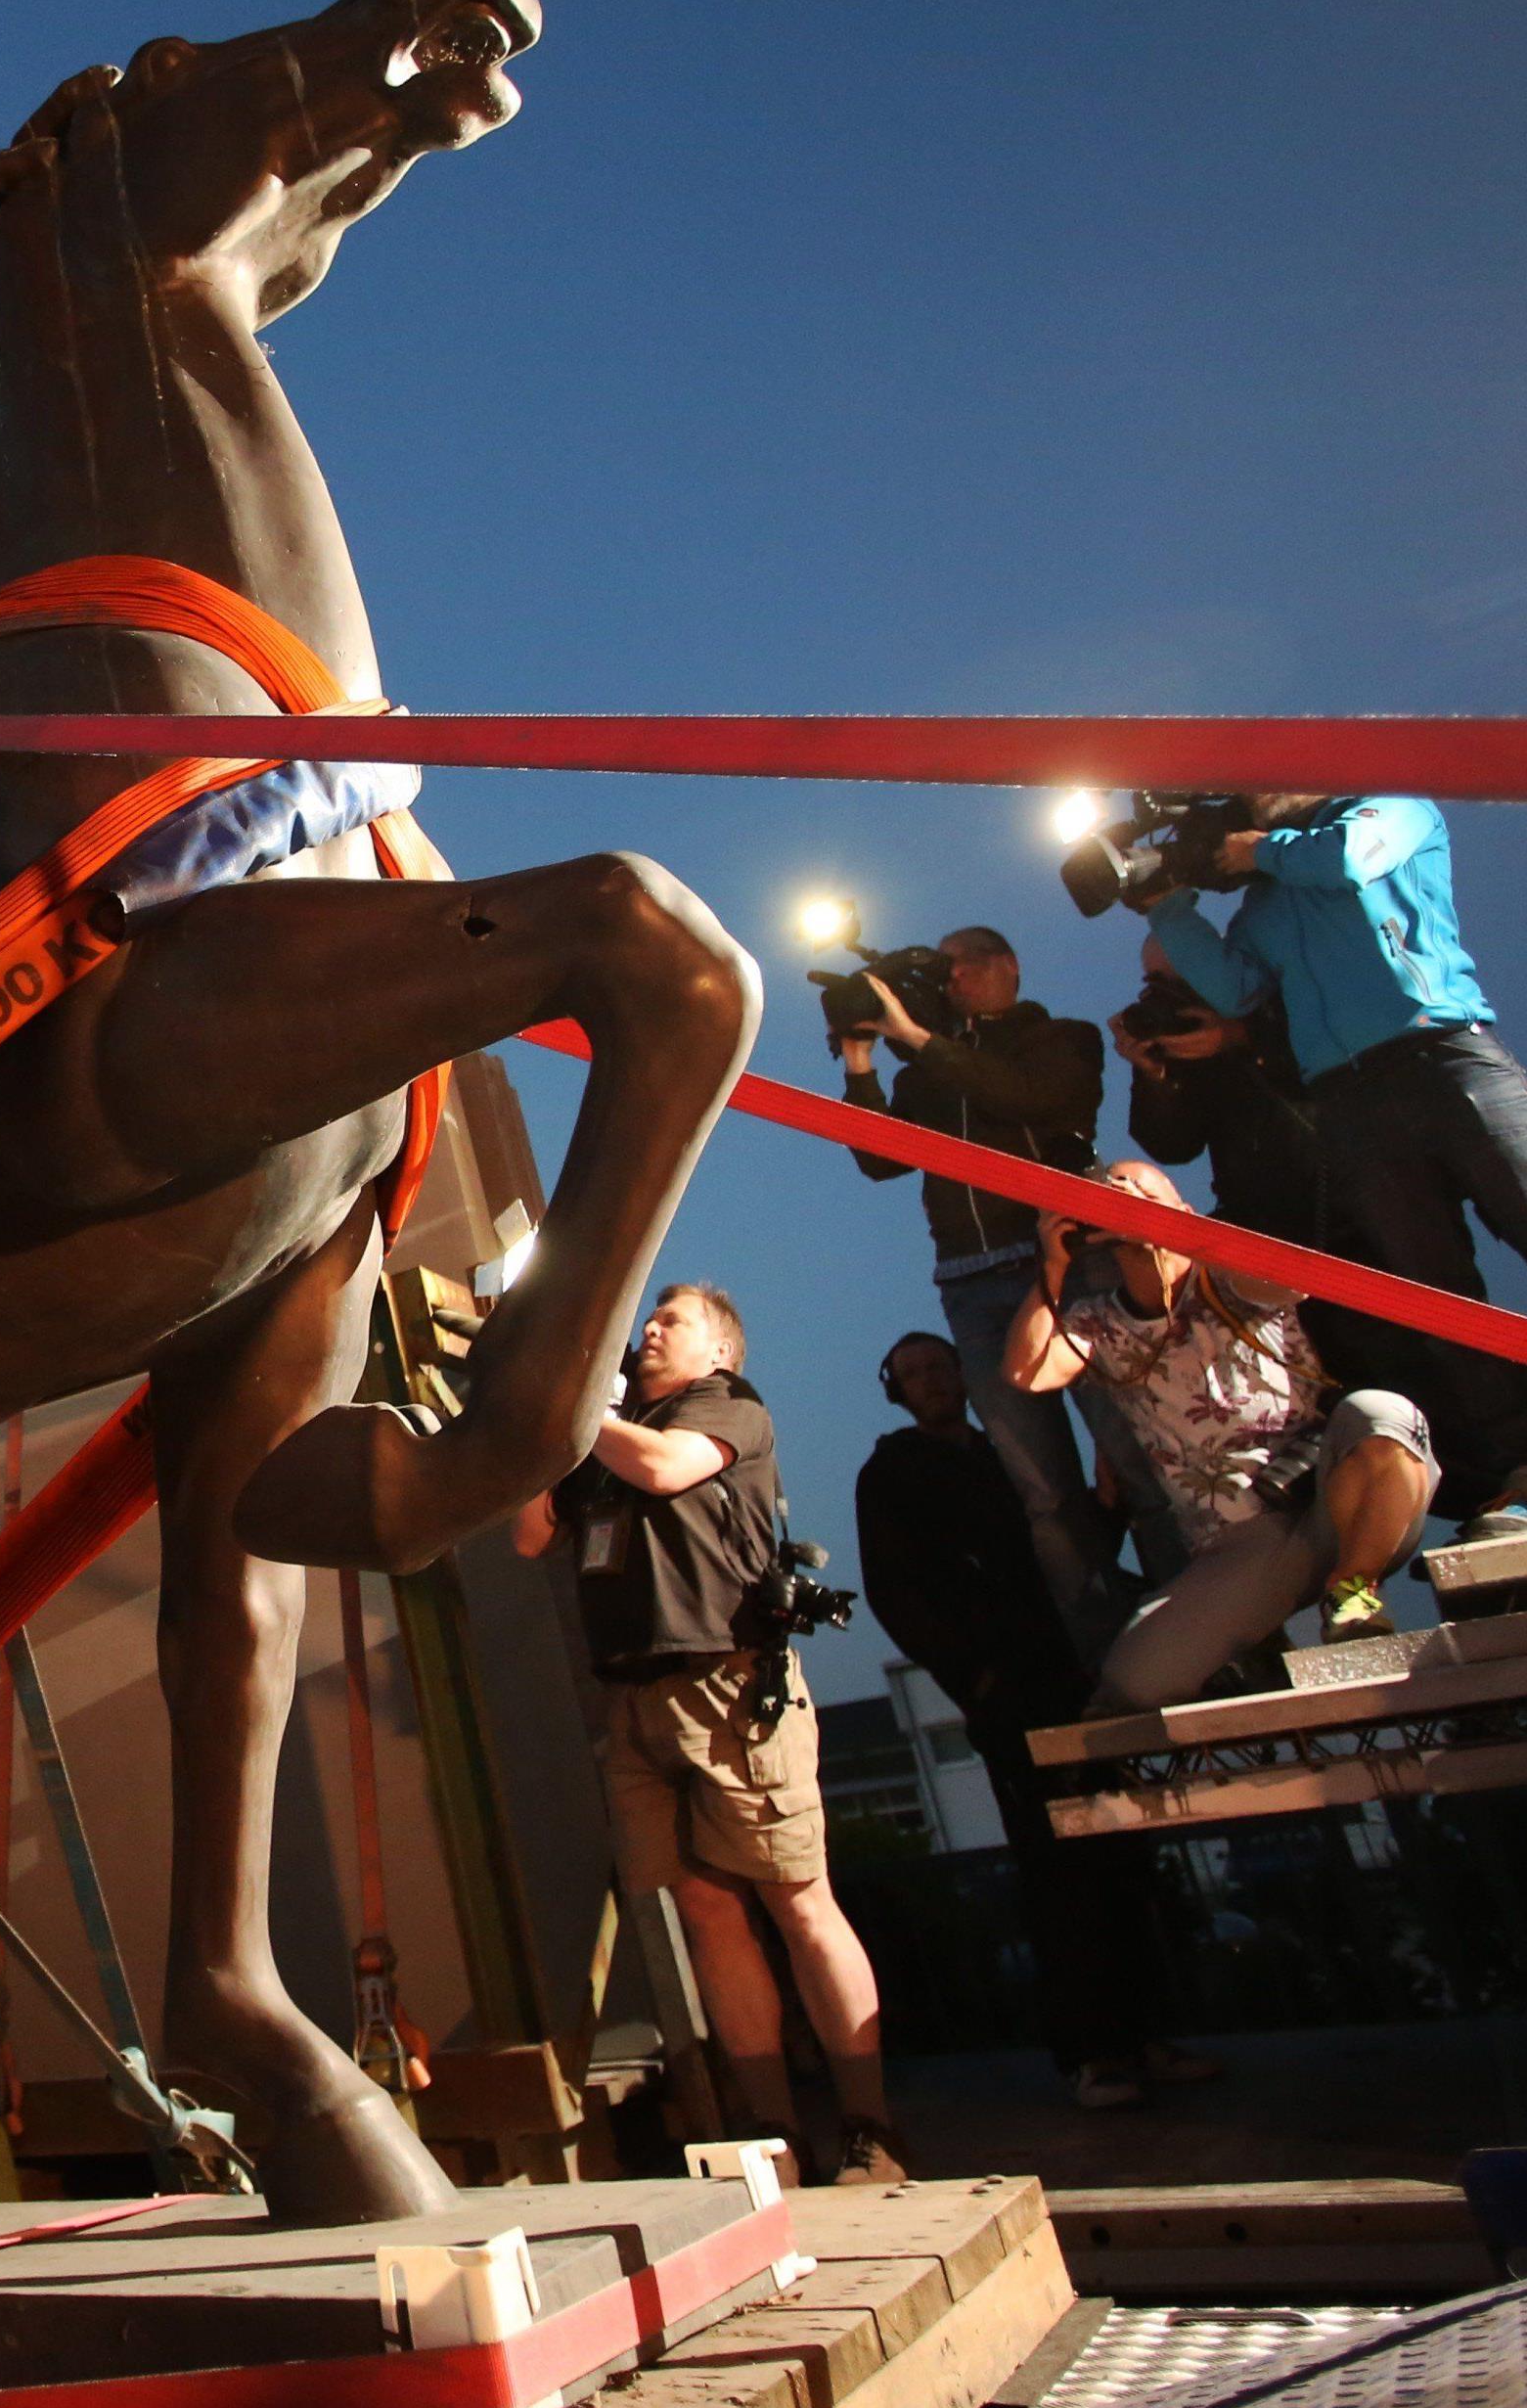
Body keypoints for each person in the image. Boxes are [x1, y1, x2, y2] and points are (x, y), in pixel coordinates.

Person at [514, 1283, 906, 2184]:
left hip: (732, 1687)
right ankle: (776, 2134)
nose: (647, 1329)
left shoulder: (727, 1408)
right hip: (637, 1699)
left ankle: (870, 2127)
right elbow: (531, 1536)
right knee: (705, 1910)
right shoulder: (601, 1436)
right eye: (645, 1318)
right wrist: (544, 1429)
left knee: (798, 1900)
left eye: (671, 1321)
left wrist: (579, 1407)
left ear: (720, 1351)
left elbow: (662, 1469)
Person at [1143, 794, 1527, 1555]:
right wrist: (1167, 907)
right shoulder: (1264, 901)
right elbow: (1236, 988)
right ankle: (1521, 1470)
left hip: (1446, 1055)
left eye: (1268, 785)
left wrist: (1257, 850)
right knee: (1440, 1298)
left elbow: (1351, 859)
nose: (1256, 798)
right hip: (1347, 1098)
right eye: (1247, 794)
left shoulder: (1392, 812)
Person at [857, 1331, 1211, 2112]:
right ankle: (1092, 2052)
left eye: (939, 1365)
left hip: (1075, 1672)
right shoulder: (894, 1474)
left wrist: (1107, 1510)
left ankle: (1146, 2032)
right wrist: (975, 1679)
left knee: (1126, 1855)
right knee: (1055, 1871)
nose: (930, 1382)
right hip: (1008, 1692)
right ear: (896, 1388)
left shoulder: (1005, 1458)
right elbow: (897, 1592)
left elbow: (1068, 1547)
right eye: (912, 1372)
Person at [836, 925, 1174, 1647]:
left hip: (1071, 1266)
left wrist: (918, 1038)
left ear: (1011, 967)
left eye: (969, 962)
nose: (955, 976)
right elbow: (879, 1159)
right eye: (945, 966)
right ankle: (1108, 1656)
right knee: (1043, 1492)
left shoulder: (1061, 1038)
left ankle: (1207, 1629)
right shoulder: (926, 1072)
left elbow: (1029, 1099)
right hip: (972, 1284)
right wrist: (860, 1055)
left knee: (1137, 1453)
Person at [1005, 1159, 1439, 1707]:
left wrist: (1173, 1233)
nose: (1118, 1191)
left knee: (1383, 1415)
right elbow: (1028, 1372)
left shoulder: (1229, 1274)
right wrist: (1055, 1264)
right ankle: (1253, 1640)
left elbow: (1289, 1278)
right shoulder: (1098, 1320)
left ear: (1184, 1211)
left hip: (1334, 1499)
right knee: (1137, 1681)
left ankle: (1353, 1592)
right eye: (1105, 1193)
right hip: (1239, 1545)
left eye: (1137, 1185)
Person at [1114, 937, 1477, 1515]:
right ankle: (1412, 1503)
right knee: (1346, 1376)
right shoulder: (1191, 1053)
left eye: (1178, 976)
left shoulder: (1289, 1002)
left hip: (1367, 1211)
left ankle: (1494, 1484)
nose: (1168, 994)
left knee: (1438, 1354)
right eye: (1153, 983)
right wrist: (1154, 1073)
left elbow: (1345, 1059)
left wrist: (1243, 1037)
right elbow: (1171, 1143)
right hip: (1277, 1239)